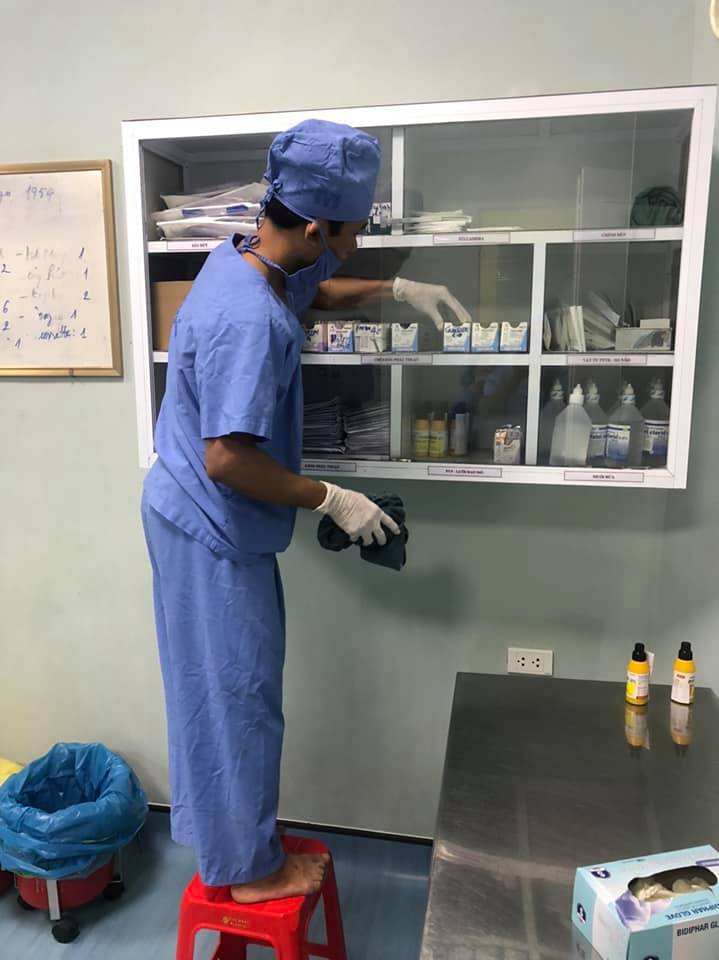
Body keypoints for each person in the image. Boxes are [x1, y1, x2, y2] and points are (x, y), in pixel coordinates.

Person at [141, 119, 471, 904]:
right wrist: (332, 497)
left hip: (197, 514)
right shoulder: (248, 322)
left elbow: (313, 289)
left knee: (222, 687)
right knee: (237, 698)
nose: (356, 247)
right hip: (209, 523)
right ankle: (248, 871)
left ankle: (230, 841)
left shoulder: (245, 258)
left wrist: (395, 291)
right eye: (354, 232)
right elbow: (228, 458)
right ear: (316, 226)